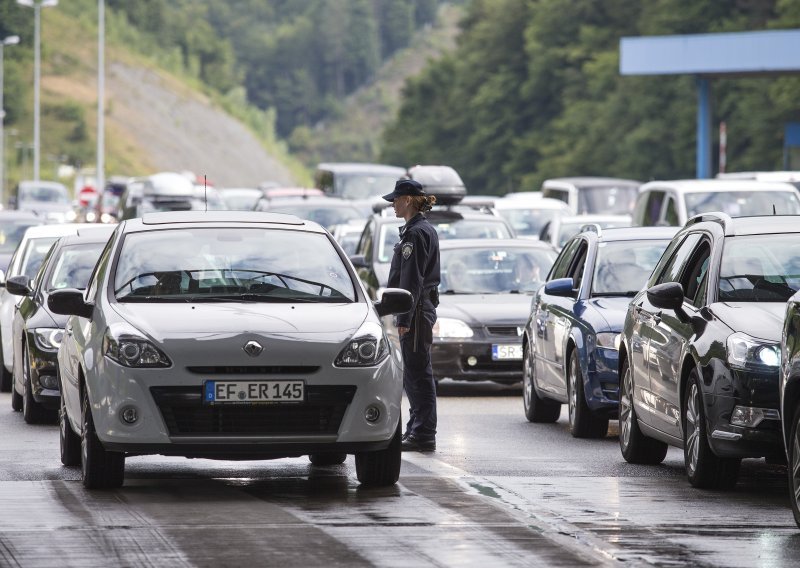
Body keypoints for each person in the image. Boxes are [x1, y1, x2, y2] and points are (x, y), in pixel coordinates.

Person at [383, 179, 440, 452]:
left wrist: (404, 318)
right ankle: (416, 429)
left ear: (407, 200)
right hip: (417, 310)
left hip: (415, 311)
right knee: (415, 373)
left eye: (395, 199)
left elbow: (412, 280)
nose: (393, 204)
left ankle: (423, 433)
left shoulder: (416, 234)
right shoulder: (416, 230)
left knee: (418, 373)